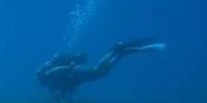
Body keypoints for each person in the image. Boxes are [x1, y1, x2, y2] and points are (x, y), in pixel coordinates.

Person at [37, 39, 165, 98]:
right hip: (77, 77)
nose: (43, 84)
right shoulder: (49, 84)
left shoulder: (49, 74)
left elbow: (61, 69)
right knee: (102, 73)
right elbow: (53, 90)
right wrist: (57, 94)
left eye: (42, 82)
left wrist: (69, 68)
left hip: (75, 71)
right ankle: (121, 53)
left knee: (97, 69)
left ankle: (115, 49)